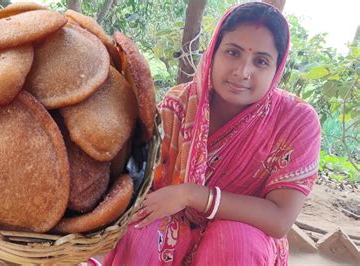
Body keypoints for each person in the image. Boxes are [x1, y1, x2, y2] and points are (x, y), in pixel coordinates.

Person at [104, 2, 321, 265]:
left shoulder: (295, 121)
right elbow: (144, 184)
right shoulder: (179, 105)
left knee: (235, 239)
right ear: (214, 52)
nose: (243, 72)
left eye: (261, 61)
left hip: (242, 243)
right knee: (143, 227)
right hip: (174, 229)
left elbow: (280, 220)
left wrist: (191, 195)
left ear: (277, 68)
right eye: (232, 52)